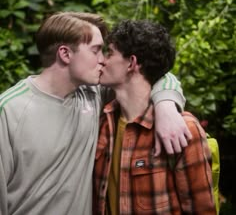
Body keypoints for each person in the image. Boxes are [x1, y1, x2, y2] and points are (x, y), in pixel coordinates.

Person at [0, 12, 189, 215]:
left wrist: (166, 104)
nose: (103, 60)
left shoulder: (92, 94)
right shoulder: (9, 111)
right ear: (65, 54)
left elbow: (152, 71)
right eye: (96, 51)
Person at [94, 20, 216, 214]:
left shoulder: (184, 129)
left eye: (109, 53)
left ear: (131, 63)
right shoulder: (104, 122)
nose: (102, 60)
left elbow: (201, 209)